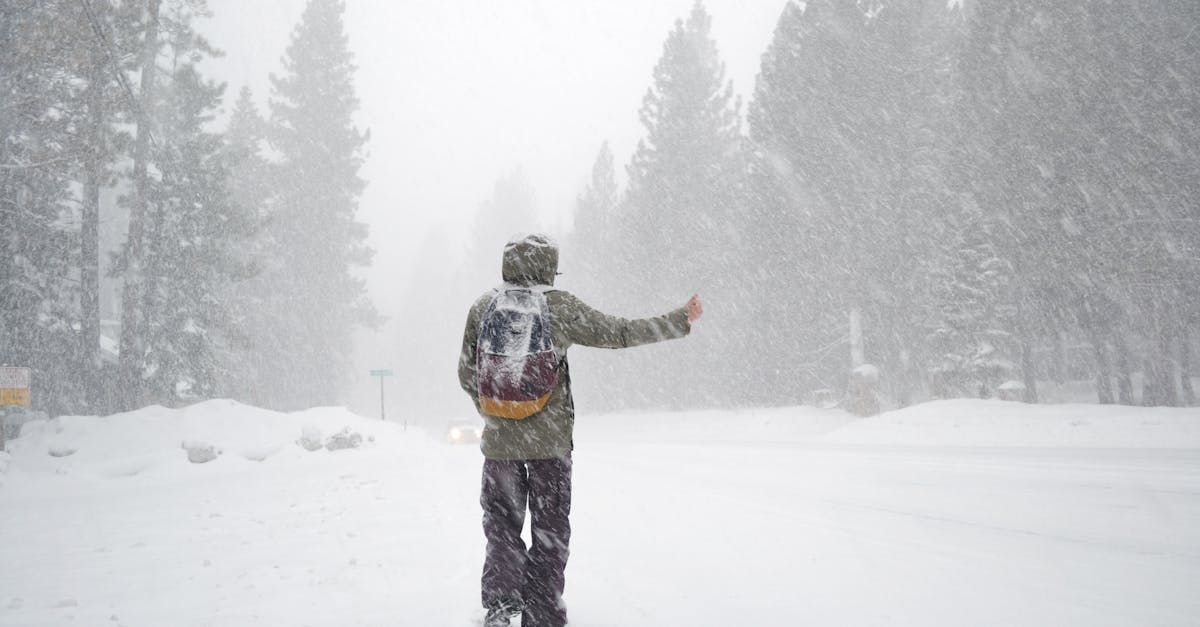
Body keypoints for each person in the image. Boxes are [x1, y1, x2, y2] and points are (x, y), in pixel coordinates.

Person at [458, 233, 702, 627]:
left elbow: (467, 374)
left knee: (502, 526)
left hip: (500, 448)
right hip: (550, 446)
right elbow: (619, 333)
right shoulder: (559, 307)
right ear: (547, 266)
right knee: (550, 529)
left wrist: (495, 414)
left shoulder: (483, 306)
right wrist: (678, 320)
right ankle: (541, 616)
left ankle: (501, 608)